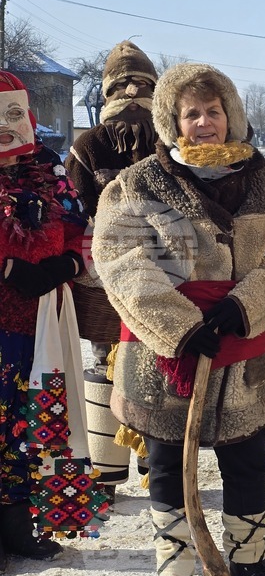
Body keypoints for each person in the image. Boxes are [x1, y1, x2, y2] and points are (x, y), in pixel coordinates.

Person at [91, 63, 265, 576]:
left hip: (241, 340)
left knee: (247, 460)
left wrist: (241, 307)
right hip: (167, 349)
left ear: (230, 115)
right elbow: (120, 259)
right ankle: (176, 573)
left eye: (214, 111)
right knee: (166, 462)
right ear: (172, 121)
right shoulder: (137, 183)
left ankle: (249, 565)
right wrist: (182, 325)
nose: (205, 122)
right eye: (192, 113)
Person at [0, 71, 89, 573]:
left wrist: (66, 265)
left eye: (14, 116)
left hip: (45, 323)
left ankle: (21, 522)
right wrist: (10, 270)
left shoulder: (51, 170)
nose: (5, 130)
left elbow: (79, 227)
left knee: (37, 424)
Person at [65, 39, 160, 503]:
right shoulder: (91, 146)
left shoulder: (168, 141)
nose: (131, 93)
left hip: (144, 274)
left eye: (137, 85)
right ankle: (119, 464)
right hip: (125, 274)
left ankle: (134, 463)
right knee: (121, 359)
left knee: (138, 360)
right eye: (125, 86)